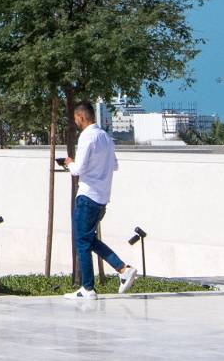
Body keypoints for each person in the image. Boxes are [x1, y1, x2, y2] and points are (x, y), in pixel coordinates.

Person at [63, 101, 140, 299]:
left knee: (81, 242)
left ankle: (88, 289)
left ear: (81, 117)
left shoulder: (87, 137)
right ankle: (123, 269)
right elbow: (114, 165)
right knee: (88, 240)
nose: (75, 122)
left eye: (75, 119)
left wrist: (69, 163)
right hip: (102, 198)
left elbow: (78, 170)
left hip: (87, 195)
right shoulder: (106, 137)